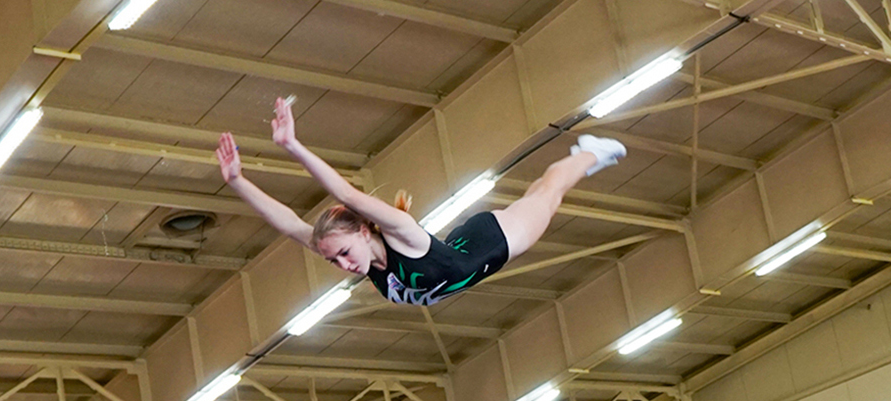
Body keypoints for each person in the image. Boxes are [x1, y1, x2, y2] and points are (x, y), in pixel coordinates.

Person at [219, 97, 626, 309]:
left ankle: (590, 153)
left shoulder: (401, 232)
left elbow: (346, 195)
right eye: (333, 261)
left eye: (343, 253)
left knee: (548, 193)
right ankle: (583, 155)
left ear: (363, 230)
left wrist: (293, 146)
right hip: (464, 246)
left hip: (494, 244)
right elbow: (289, 223)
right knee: (541, 192)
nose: (343, 266)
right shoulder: (361, 257)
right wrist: (237, 181)